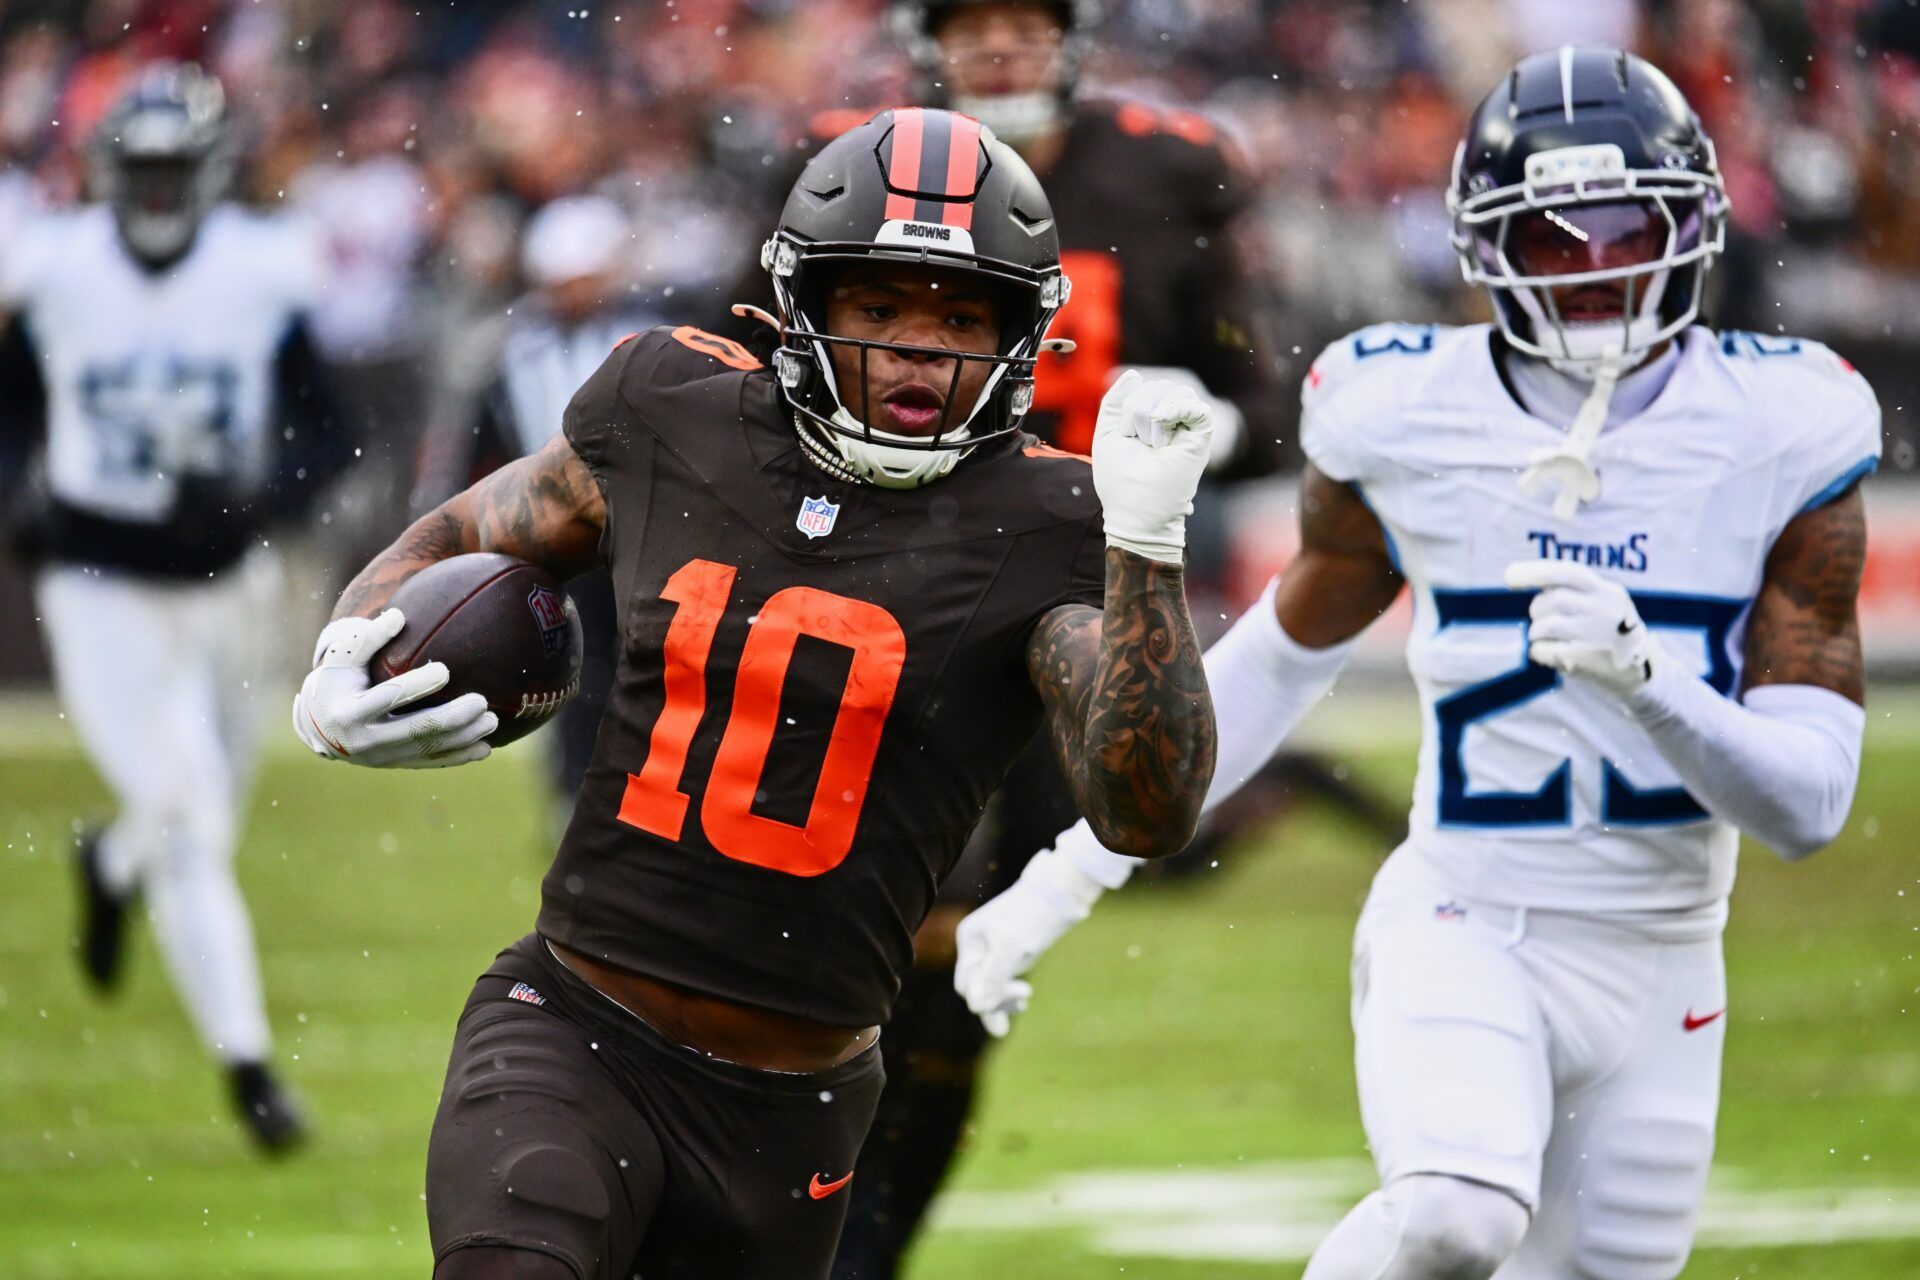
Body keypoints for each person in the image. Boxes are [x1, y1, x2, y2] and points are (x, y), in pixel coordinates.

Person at [955, 48, 1877, 1280]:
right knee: (1454, 1214)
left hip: (1669, 953)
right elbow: (1280, 660)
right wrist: (1062, 877)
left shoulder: (1786, 423)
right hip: (1467, 915)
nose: (1594, 267)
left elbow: (1808, 808)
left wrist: (1651, 684)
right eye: (1550, 235)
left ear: (1693, 226)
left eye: (1626, 228)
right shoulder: (1404, 409)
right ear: (1483, 246)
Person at [291, 108, 1218, 1280]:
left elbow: (1149, 808)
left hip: (794, 1103)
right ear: (805, 302)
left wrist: (1149, 548)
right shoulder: (674, 410)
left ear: (1021, 331)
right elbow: (473, 526)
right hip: (574, 1028)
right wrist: (345, 655)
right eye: (879, 306)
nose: (920, 348)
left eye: (960, 316)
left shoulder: (1051, 521)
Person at [823, 8, 1393, 1272]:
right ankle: (818, 1227)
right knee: (861, 951)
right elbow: (764, 371)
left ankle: (863, 1245)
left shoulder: (1163, 171)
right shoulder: (851, 167)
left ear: (1071, 37)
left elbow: (1257, 398)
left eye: (1025, 22)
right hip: (893, 592)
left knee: (957, 974)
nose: (1000, 49)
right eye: (973, 24)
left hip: (1074, 605)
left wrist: (1197, 428)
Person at [0, 63, 349, 1152]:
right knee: (185, 811)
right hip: (100, 574)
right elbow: (11, 409)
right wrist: (20, 498)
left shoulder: (261, 270)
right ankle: (250, 1070)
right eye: (140, 168)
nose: (156, 190)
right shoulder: (57, 268)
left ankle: (109, 865)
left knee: (203, 815)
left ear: (208, 172)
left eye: (173, 168)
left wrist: (259, 494)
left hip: (227, 579)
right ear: (108, 172)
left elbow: (328, 429)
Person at [412, 193, 664, 815]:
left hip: (642, 530)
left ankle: (638, 787)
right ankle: (577, 793)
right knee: (574, 668)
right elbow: (476, 446)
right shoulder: (510, 348)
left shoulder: (649, 339)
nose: (574, 291)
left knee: (643, 661)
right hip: (557, 538)